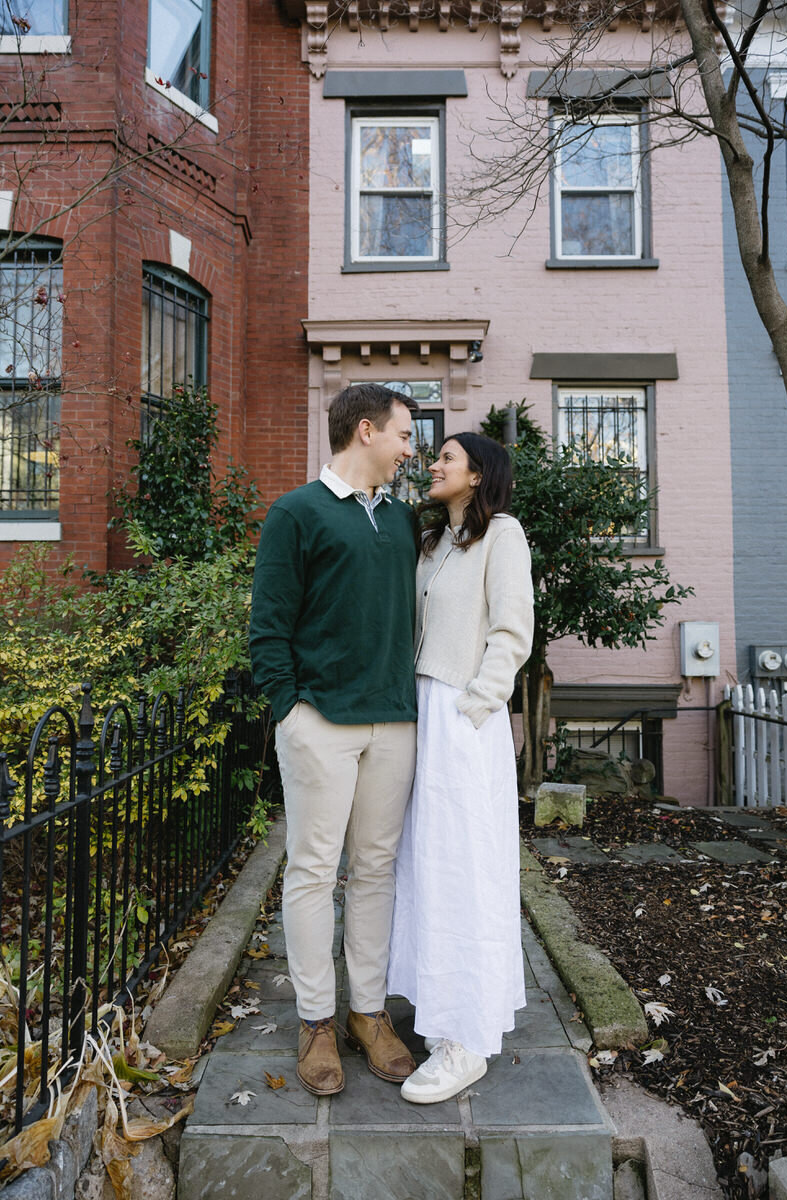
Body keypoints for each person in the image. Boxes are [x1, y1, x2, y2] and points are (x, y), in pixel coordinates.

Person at [249, 383, 421, 1097]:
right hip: (320, 720)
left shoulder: (406, 521)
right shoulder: (297, 512)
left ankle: (366, 1012)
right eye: (405, 435)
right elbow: (269, 626)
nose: (410, 449)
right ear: (367, 431)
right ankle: (316, 1020)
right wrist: (291, 710)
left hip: (394, 721)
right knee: (315, 870)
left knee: (377, 869)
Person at [387, 431, 534, 1104]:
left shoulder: (502, 535)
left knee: (465, 867)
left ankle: (465, 1041)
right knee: (427, 865)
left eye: (447, 457)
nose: (434, 464)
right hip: (422, 710)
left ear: (478, 475)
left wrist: (475, 708)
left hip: (463, 719)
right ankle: (436, 1007)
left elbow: (512, 631)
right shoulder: (434, 543)